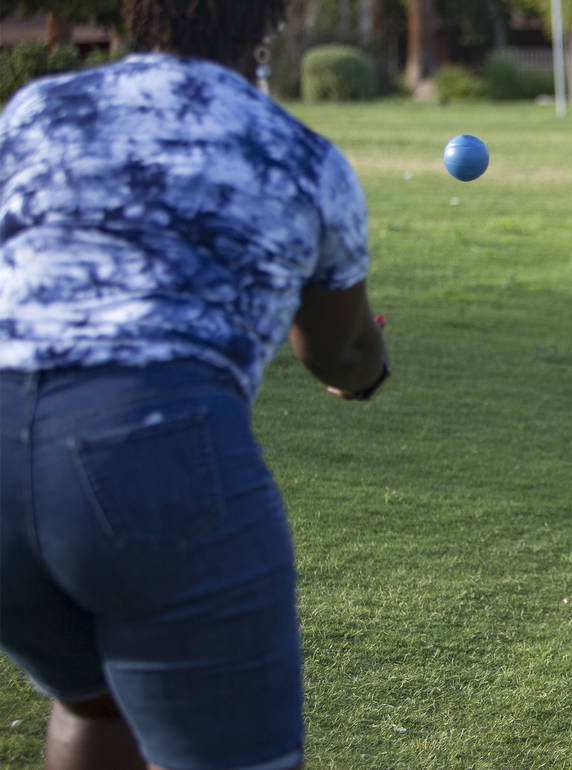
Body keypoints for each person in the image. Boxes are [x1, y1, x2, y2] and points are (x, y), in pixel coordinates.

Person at [0, 1, 388, 768]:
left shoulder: (36, 110)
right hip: (153, 452)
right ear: (269, 23)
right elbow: (337, 354)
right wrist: (367, 367)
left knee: (97, 700)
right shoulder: (301, 157)